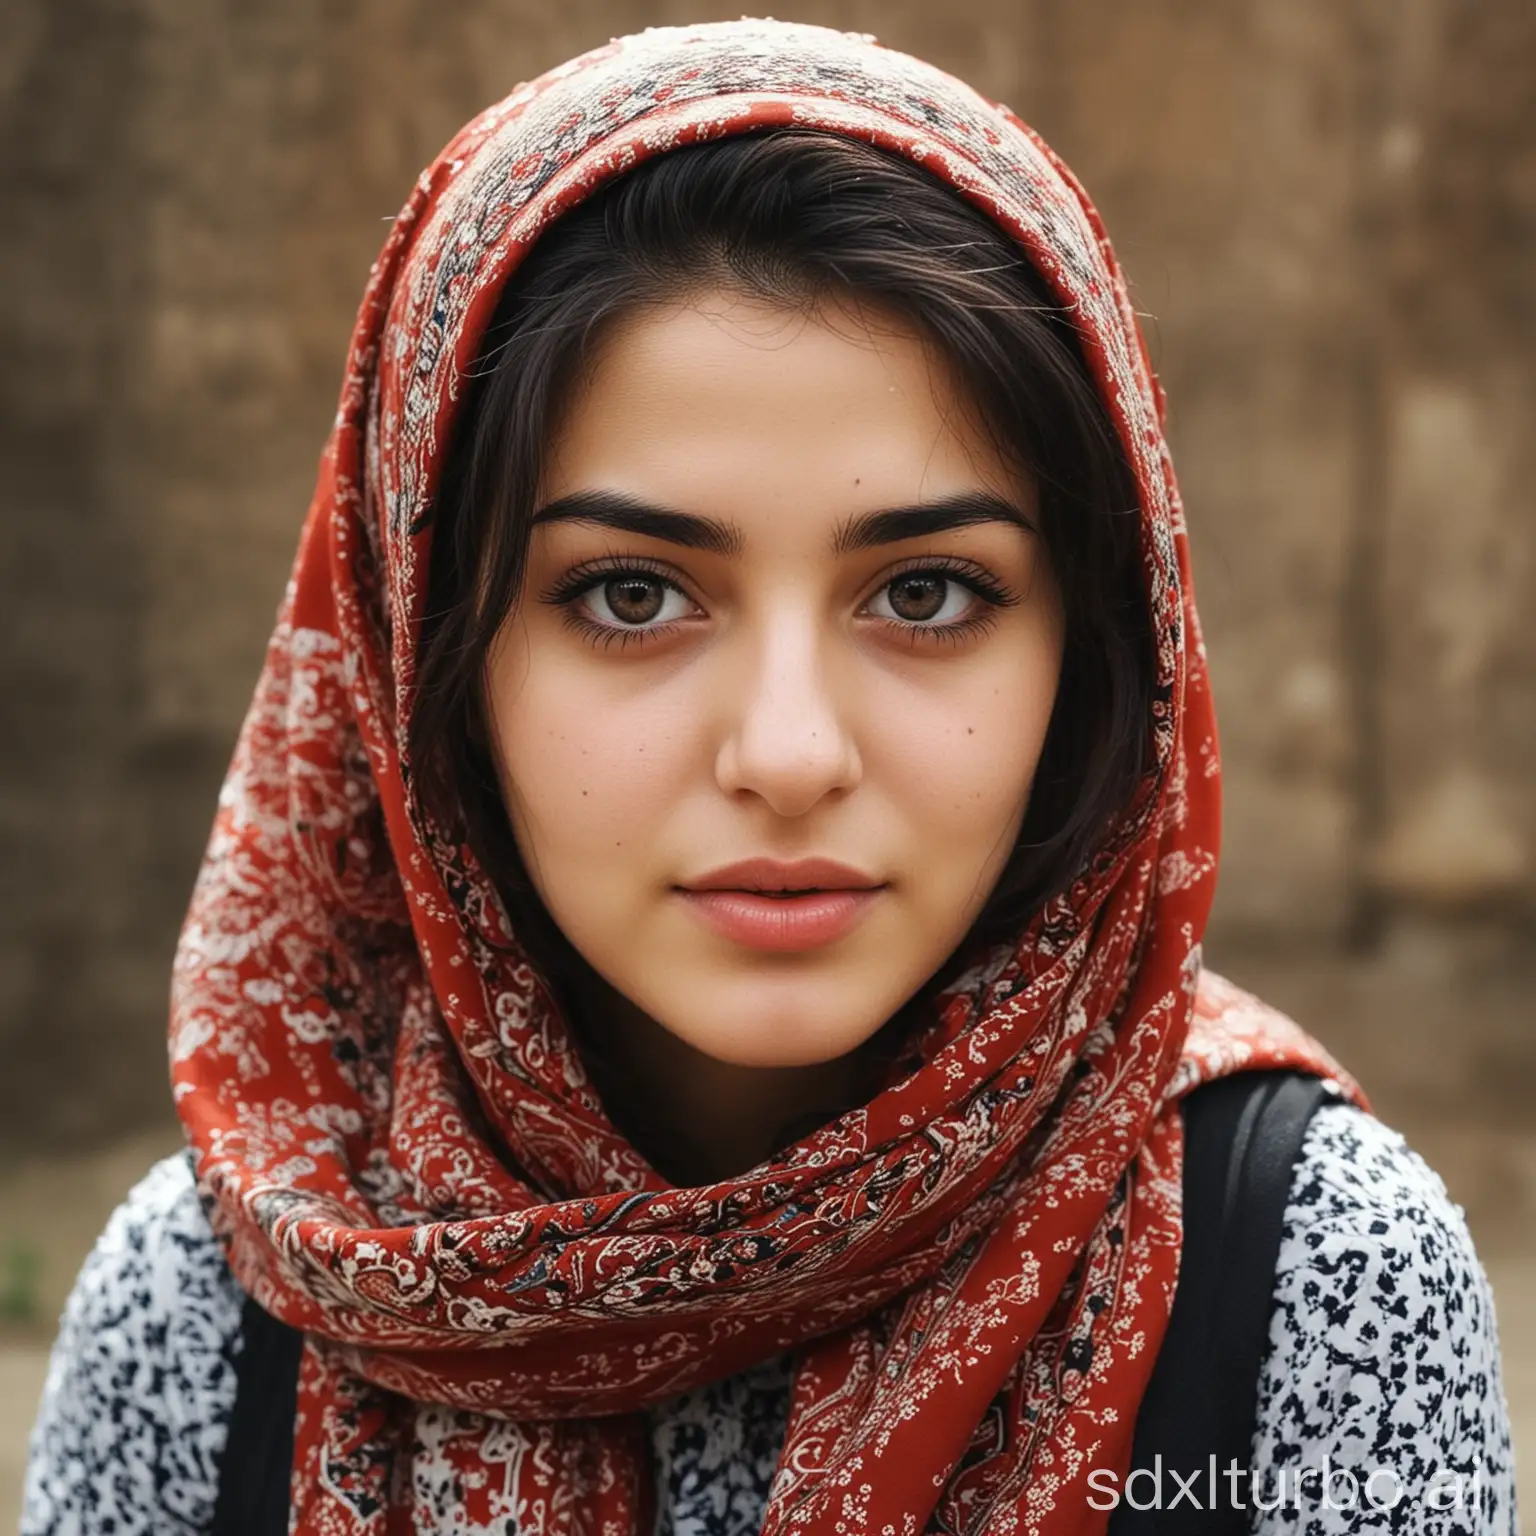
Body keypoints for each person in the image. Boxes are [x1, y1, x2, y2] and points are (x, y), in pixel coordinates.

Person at [22, 19, 1514, 1536]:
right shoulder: (217, 1307)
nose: (791, 755)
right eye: (629, 595)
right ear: (433, 671)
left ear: (1095, 657)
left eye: (927, 594)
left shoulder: (1302, 1275)